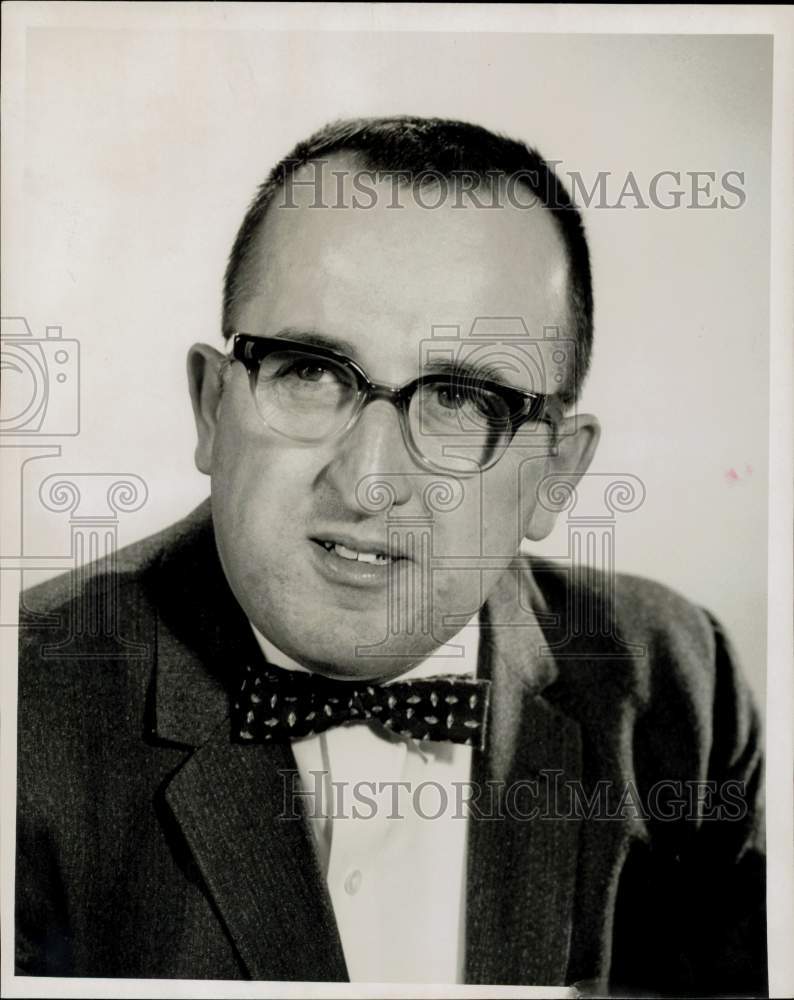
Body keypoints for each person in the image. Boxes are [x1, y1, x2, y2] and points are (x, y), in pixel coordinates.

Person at [15, 117, 766, 994]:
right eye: (308, 371)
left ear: (553, 474)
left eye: (458, 398)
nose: (370, 483)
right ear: (212, 409)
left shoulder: (679, 686)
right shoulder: (25, 712)